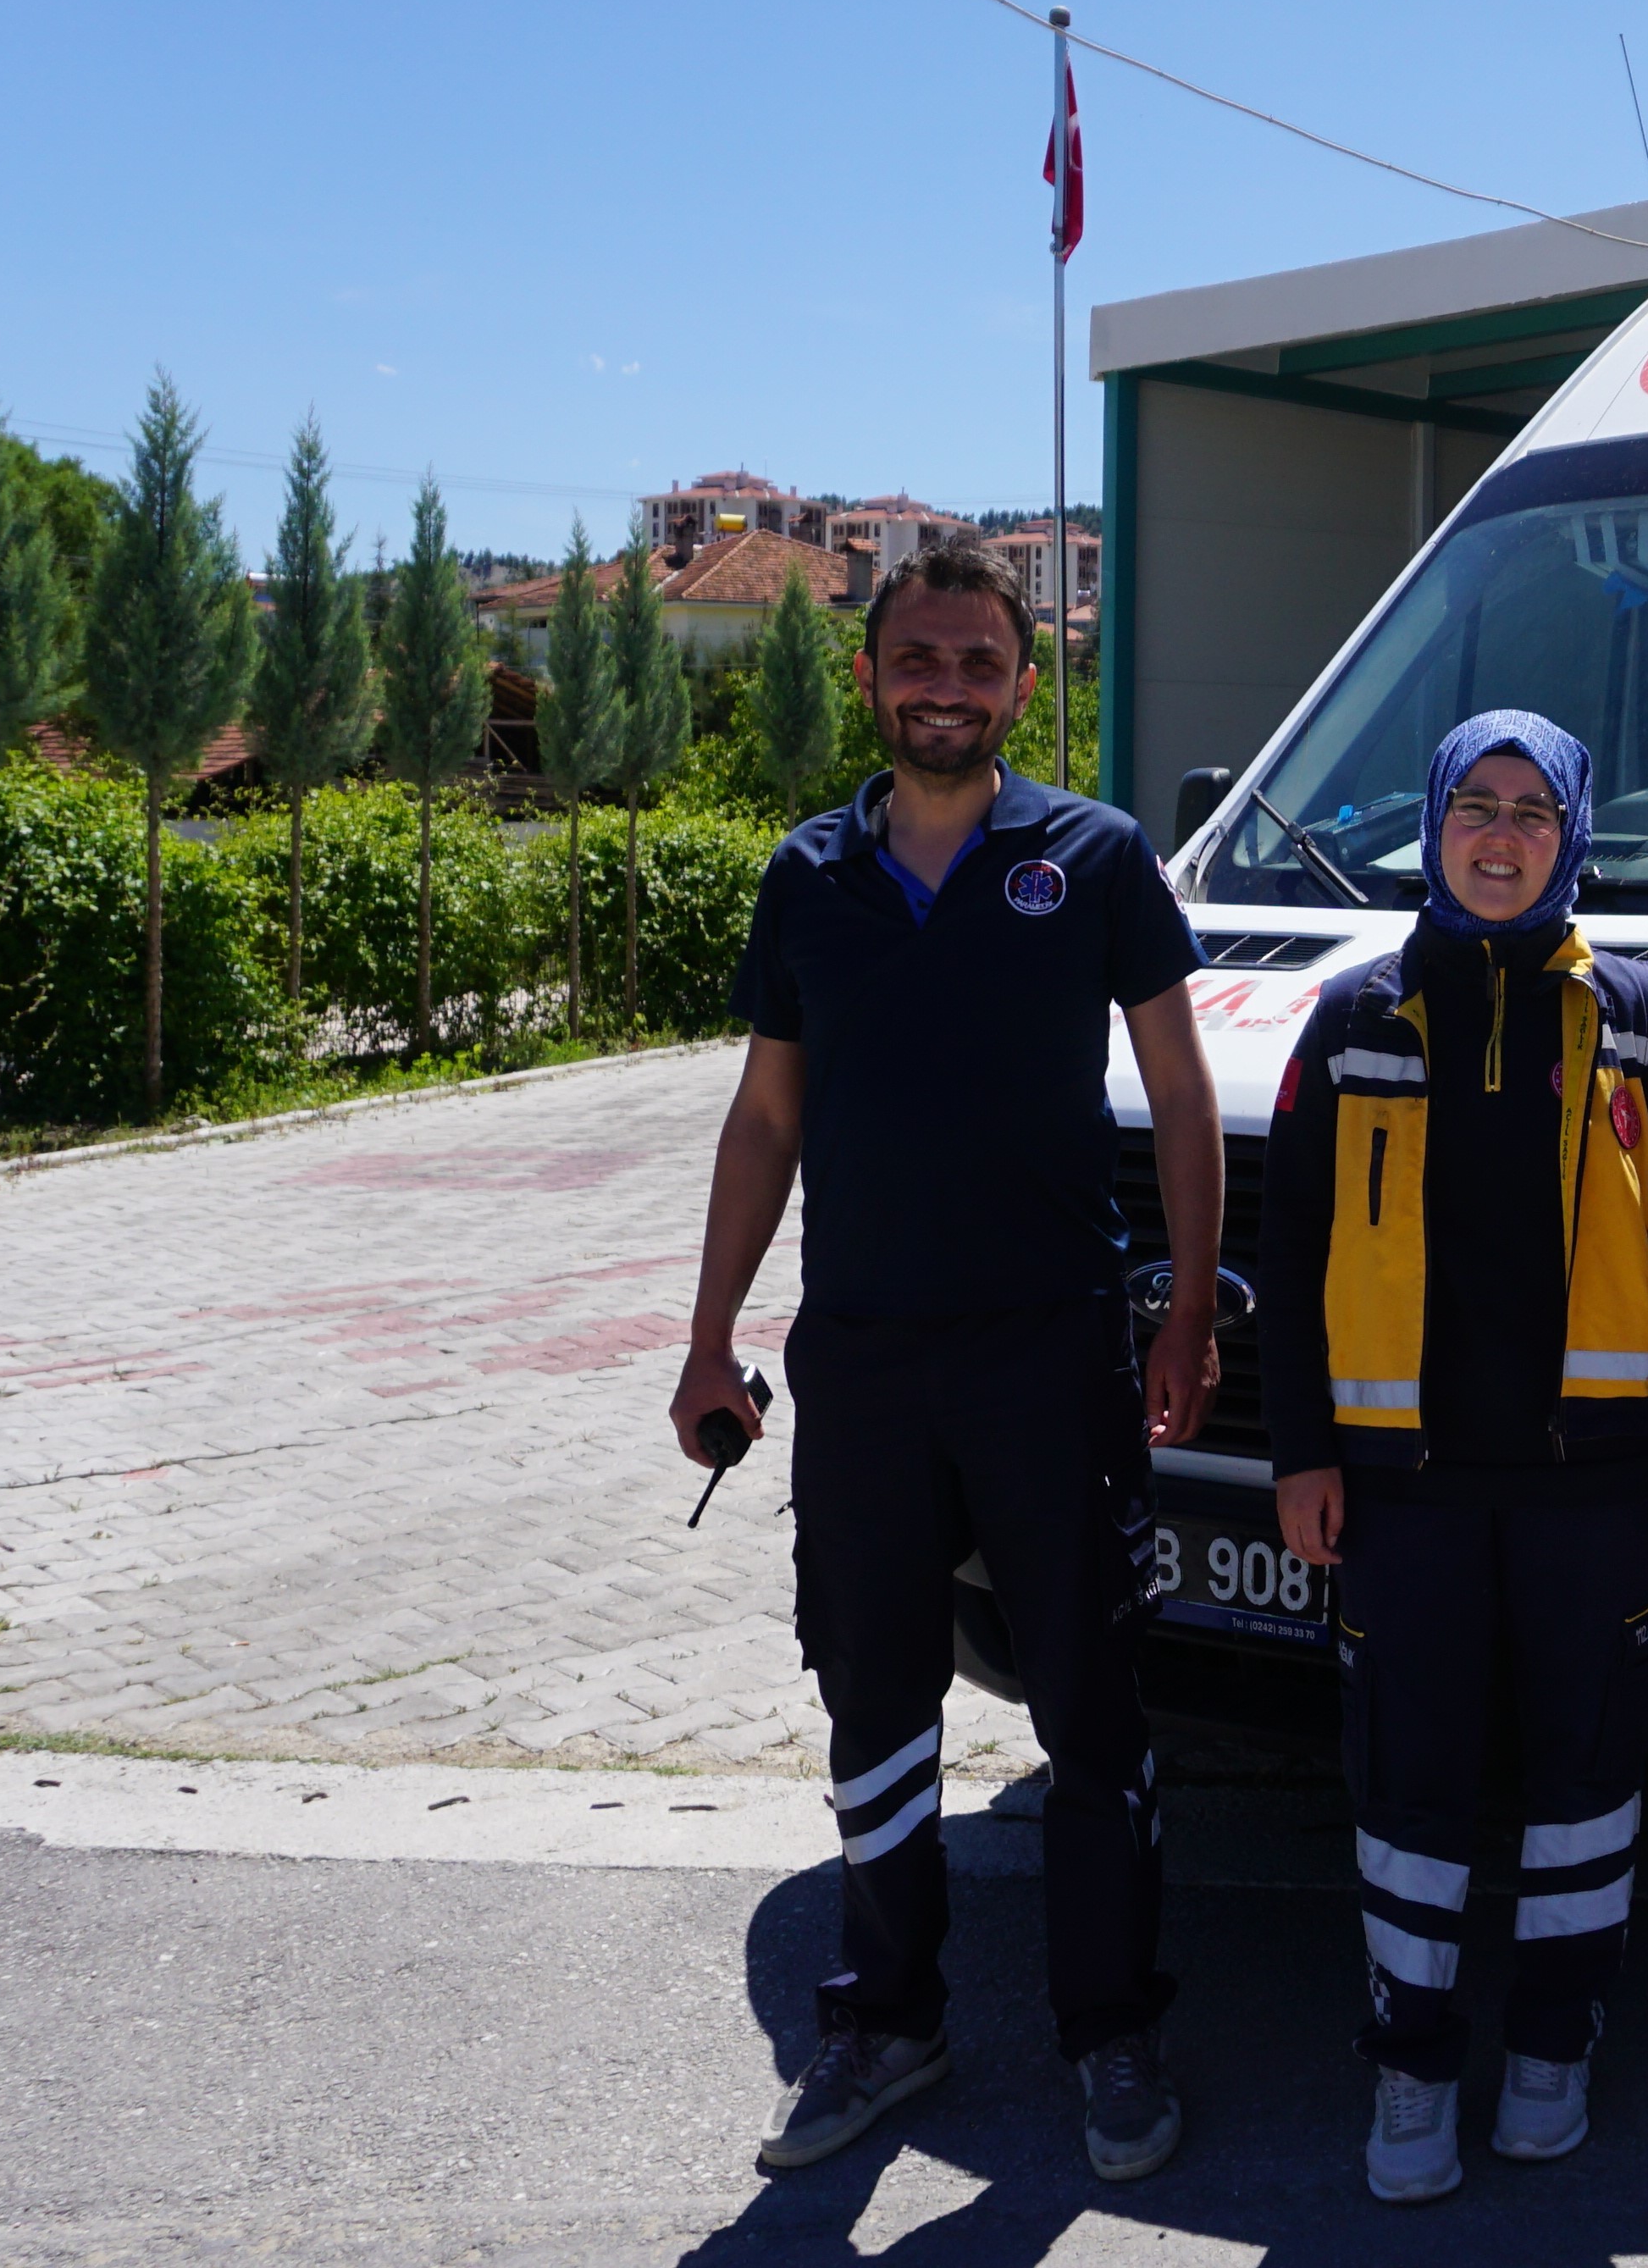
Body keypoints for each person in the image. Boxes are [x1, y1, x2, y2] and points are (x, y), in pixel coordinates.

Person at [672, 543, 1225, 2184]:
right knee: (875, 1696)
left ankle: (1110, 2024)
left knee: (1092, 1704)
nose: (948, 687)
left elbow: (1184, 1094)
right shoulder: (808, 876)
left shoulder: (1098, 856)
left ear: (1021, 682)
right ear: (870, 676)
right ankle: (889, 2010)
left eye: (980, 662)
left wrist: (1188, 1308)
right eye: (920, 658)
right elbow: (767, 1113)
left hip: (1054, 1354)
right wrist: (710, 1331)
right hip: (857, 1358)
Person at [1253, 710, 1648, 2204]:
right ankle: (1411, 2070)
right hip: (1404, 1491)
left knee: (1584, 1779)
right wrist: (1300, 1457)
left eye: (1535, 809)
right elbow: (1288, 1251)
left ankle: (1552, 2047)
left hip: (1594, 1489)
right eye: (1478, 803)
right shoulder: (1349, 1020)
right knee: (1412, 1782)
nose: (1505, 833)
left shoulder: (1643, 1021)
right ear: (1436, 825)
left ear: (1573, 833)